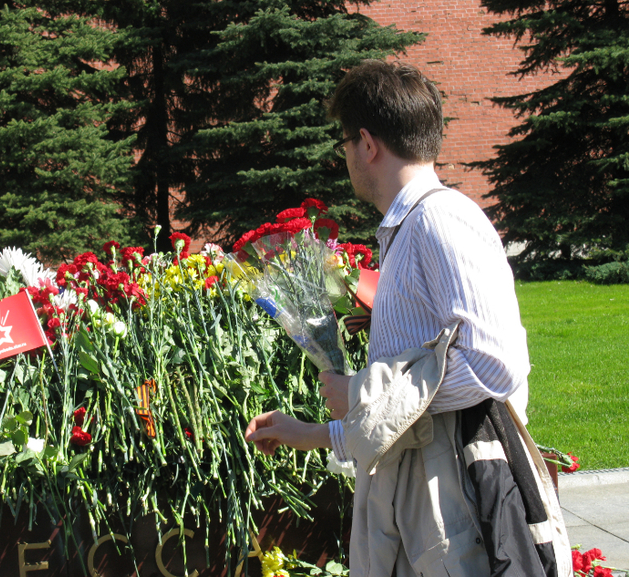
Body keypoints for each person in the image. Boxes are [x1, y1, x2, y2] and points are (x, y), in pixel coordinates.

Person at [245, 61, 572, 577]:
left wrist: (360, 392)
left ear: (368, 143)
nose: (346, 156)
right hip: (426, 507)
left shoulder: (439, 221)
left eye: (345, 143)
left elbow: (493, 367)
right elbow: (410, 417)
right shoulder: (409, 228)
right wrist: (312, 433)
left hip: (455, 507)